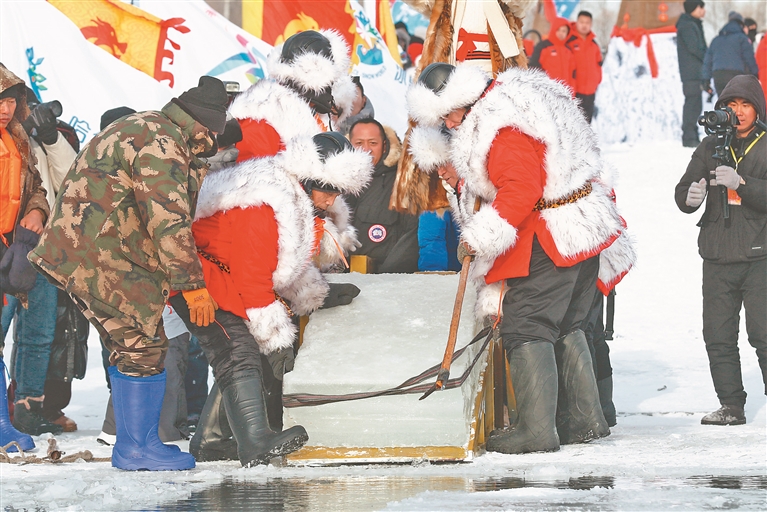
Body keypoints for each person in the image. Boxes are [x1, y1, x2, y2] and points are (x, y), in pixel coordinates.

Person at [406, 63, 635, 454]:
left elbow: (521, 187)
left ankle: (536, 431)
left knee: (527, 326)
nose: (449, 122)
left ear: (461, 99)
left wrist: (480, 236)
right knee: (567, 325)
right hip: (580, 232)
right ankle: (584, 422)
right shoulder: (518, 96)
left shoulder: (500, 126)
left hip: (549, 238)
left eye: (448, 114)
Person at [28, 76, 229, 471]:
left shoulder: (147, 126)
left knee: (134, 346)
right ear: (203, 124)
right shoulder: (161, 142)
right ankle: (138, 447)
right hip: (102, 256)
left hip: (86, 250)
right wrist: (193, 286)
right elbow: (167, 219)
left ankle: (134, 445)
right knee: (144, 346)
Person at [171, 132, 373, 466]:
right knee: (237, 351)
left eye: (336, 192)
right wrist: (275, 339)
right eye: (327, 189)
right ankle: (254, 442)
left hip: (223, 273)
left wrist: (314, 293)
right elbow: (253, 276)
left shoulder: (293, 196)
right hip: (199, 276)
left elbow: (277, 264)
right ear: (307, 179)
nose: (330, 200)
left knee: (239, 352)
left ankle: (211, 440)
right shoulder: (265, 203)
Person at [674, 74, 767, 426]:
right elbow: (684, 189)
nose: (738, 112)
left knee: (764, 333)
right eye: (731, 105)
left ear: (756, 109)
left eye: (745, 105)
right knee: (718, 335)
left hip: (760, 254)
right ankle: (731, 405)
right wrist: (689, 198)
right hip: (716, 254)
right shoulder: (709, 146)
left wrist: (742, 183)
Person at [1, 79, 77, 435]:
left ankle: (28, 406)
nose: (11, 110)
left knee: (40, 335)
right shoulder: (9, 143)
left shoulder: (43, 140)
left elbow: (71, 182)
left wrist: (50, 138)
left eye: (15, 103)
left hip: (40, 251)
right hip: (6, 249)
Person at [0, 64, 49, 453]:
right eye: (0, 100)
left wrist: (37, 212)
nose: (6, 108)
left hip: (10, 250)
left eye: (12, 100)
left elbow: (36, 188)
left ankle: (2, 423)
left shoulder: (18, 141)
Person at [346, 118, 419, 273]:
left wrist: (384, 279)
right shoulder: (335, 182)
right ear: (349, 145)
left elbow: (412, 237)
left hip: (383, 283)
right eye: (359, 143)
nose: (366, 149)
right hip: (339, 280)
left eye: (373, 143)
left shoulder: (402, 183)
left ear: (384, 145)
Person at [702, 12, 759, 97]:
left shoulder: (716, 40)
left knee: (723, 104)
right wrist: (755, 74)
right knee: (735, 104)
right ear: (741, 25)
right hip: (735, 75)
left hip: (718, 76)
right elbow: (749, 58)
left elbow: (707, 61)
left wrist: (706, 79)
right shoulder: (742, 38)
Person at [676, 0, 707, 148]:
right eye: (701, 7)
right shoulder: (688, 25)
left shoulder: (692, 23)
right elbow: (695, 48)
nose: (703, 11)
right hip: (691, 73)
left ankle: (692, 135)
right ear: (694, 8)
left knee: (695, 104)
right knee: (692, 104)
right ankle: (688, 137)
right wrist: (707, 57)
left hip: (694, 72)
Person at [566, 11, 603, 123]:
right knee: (572, 125)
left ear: (591, 24)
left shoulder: (594, 45)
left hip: (590, 93)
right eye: (582, 22)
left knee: (587, 125)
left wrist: (596, 82)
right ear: (577, 22)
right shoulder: (569, 42)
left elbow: (598, 65)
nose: (584, 25)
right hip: (574, 93)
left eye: (587, 22)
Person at [529, 17, 576, 92]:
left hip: (564, 93)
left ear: (567, 33)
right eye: (558, 30)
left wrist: (572, 93)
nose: (561, 33)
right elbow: (534, 68)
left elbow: (572, 74)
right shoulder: (543, 46)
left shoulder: (568, 50)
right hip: (546, 91)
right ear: (554, 29)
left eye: (564, 31)